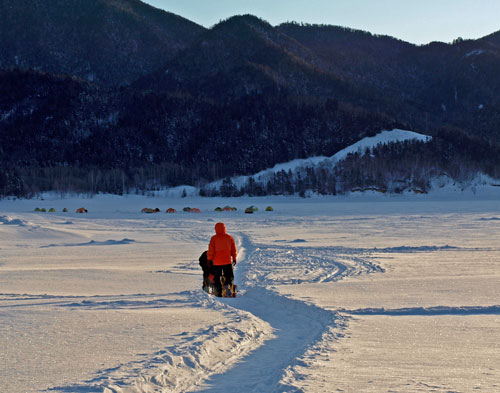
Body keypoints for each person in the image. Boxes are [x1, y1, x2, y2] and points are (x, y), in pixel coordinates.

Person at [207, 222, 237, 296]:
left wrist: (210, 259)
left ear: (216, 229)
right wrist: (234, 258)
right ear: (224, 228)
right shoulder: (229, 237)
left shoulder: (213, 238)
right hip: (227, 261)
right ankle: (227, 285)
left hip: (217, 262)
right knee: (229, 275)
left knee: (217, 277)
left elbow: (211, 250)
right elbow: (233, 249)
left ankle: (219, 291)